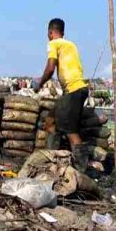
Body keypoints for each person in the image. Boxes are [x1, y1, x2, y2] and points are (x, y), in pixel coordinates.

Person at [33, 18, 89, 172]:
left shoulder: (53, 43)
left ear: (50, 33)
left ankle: (80, 171)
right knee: (50, 120)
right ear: (63, 33)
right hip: (75, 90)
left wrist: (40, 82)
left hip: (74, 90)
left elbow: (50, 68)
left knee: (71, 131)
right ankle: (52, 159)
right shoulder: (71, 44)